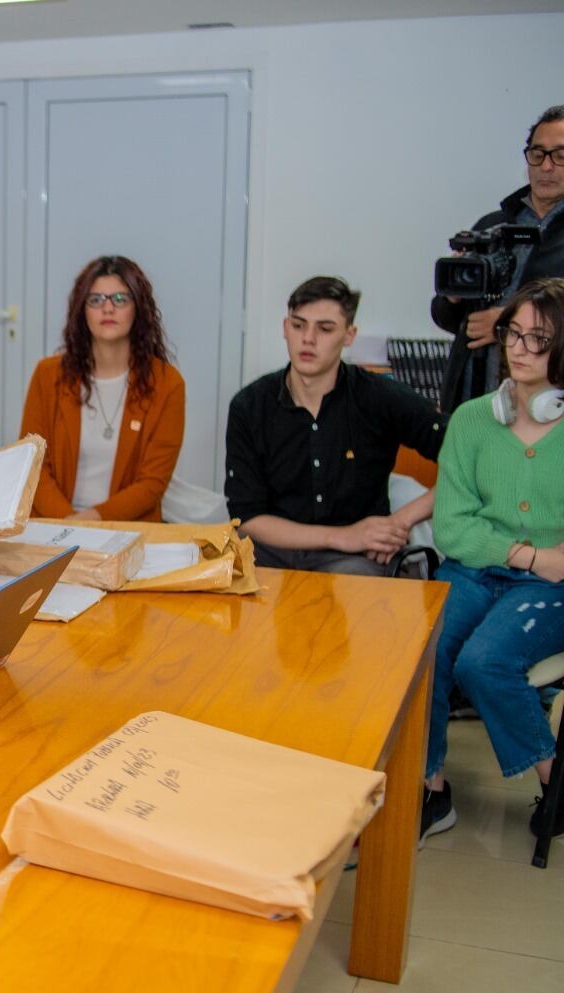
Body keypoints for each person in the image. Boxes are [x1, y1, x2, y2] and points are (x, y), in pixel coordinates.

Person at [422, 278, 564, 841]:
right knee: (423, 652)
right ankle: (430, 789)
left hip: (552, 585)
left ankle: (556, 787)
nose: (519, 348)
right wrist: (529, 554)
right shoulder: (472, 420)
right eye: (513, 334)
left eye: (540, 338)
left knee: (483, 662)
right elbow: (453, 526)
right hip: (479, 570)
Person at [224, 276, 445, 576]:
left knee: (356, 596)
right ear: (285, 328)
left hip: (354, 561)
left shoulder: (379, 397)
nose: (308, 339)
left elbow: (470, 462)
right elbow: (246, 516)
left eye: (325, 328)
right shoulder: (249, 406)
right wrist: (342, 536)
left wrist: (400, 522)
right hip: (270, 551)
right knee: (217, 589)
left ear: (349, 335)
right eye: (298, 325)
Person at [19, 255, 186, 521]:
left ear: (138, 308)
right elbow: (33, 465)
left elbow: (152, 483)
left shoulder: (167, 383)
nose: (107, 309)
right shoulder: (48, 375)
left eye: (120, 299)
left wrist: (93, 520)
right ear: (82, 310)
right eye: (95, 300)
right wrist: (68, 523)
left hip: (130, 530)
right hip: (54, 524)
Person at [436, 105, 564, 412]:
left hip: (544, 406)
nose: (547, 166)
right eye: (538, 154)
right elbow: (446, 317)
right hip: (472, 395)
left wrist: (508, 323)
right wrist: (452, 298)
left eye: (560, 155)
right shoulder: (493, 224)